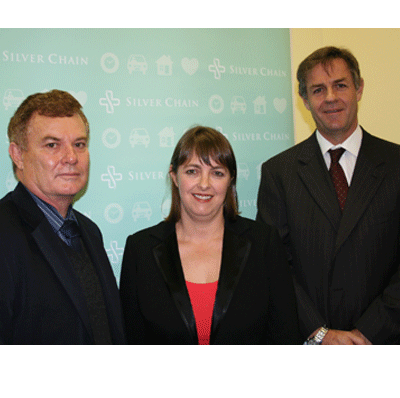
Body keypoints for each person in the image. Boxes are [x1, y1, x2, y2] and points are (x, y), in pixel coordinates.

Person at [257, 46, 400, 345]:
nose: (331, 98)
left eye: (341, 85)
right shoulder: (279, 173)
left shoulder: (396, 163)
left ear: (359, 89)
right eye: (318, 89)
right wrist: (320, 333)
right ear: (305, 101)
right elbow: (273, 265)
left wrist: (368, 332)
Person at [120, 126, 302, 345]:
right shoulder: (140, 250)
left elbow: (285, 337)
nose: (204, 184)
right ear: (174, 176)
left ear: (230, 181)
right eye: (192, 171)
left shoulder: (264, 244)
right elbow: (132, 338)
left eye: (217, 173)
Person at [0, 90, 125, 344]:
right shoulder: (4, 232)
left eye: (79, 144)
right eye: (52, 145)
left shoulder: (89, 231)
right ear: (18, 155)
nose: (71, 157)